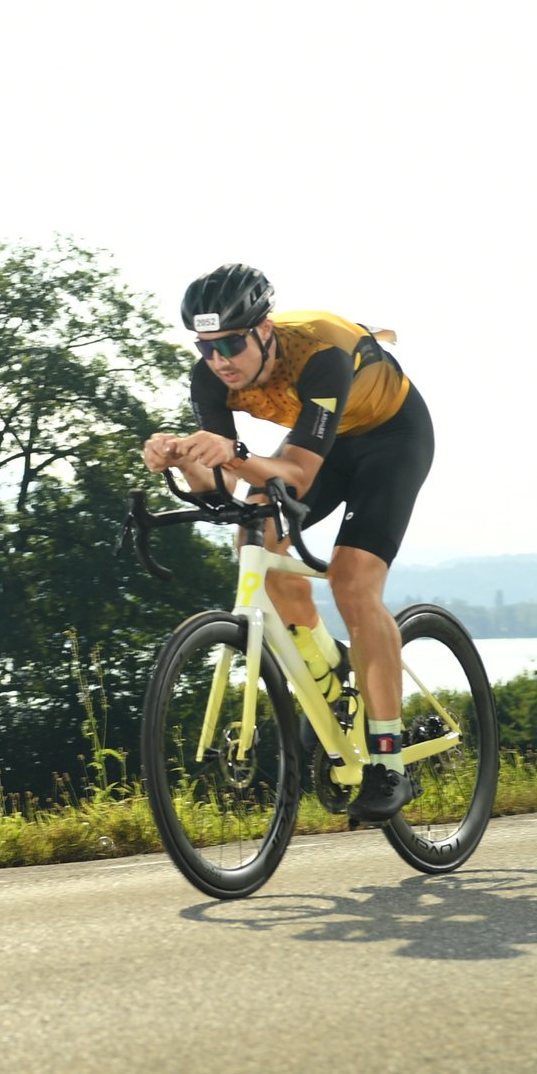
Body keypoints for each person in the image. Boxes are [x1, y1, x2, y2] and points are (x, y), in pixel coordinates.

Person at [141, 263, 435, 823]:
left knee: (353, 581)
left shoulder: (319, 354)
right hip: (318, 446)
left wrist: (229, 455)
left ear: (265, 331)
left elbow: (295, 476)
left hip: (391, 439)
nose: (220, 360)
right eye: (206, 347)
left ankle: (389, 762)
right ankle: (329, 670)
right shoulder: (209, 379)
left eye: (231, 343)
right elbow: (222, 485)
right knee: (253, 536)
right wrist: (180, 461)